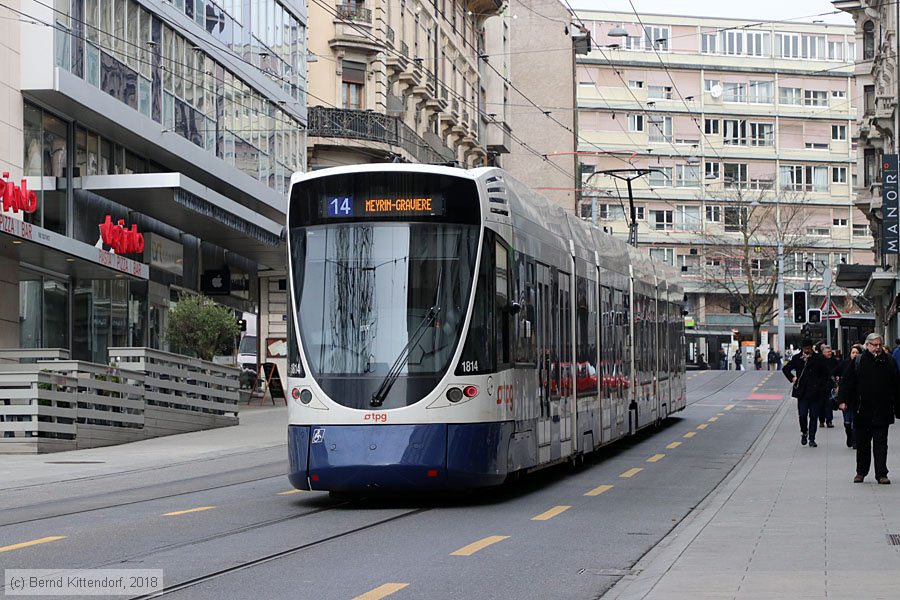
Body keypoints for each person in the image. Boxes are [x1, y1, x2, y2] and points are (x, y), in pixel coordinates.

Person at [838, 333, 900, 484]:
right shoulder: (859, 361)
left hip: (882, 410)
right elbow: (847, 382)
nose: (877, 348)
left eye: (879, 345)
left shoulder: (889, 361)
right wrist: (843, 400)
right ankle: (861, 472)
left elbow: (897, 386)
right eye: (874, 345)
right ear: (867, 345)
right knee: (863, 444)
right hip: (862, 410)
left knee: (881, 444)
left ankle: (881, 474)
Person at [782, 338, 832, 447]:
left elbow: (826, 374)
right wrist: (792, 378)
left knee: (814, 416)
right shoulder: (797, 358)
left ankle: (812, 438)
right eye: (805, 349)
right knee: (802, 415)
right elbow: (785, 369)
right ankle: (804, 432)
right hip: (802, 392)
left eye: (808, 349)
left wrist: (820, 385)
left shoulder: (819, 358)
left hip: (816, 393)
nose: (807, 351)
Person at [835, 343, 863, 449]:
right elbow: (835, 375)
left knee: (855, 422)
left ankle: (855, 440)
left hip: (857, 398)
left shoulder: (863, 365)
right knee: (847, 422)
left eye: (857, 353)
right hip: (846, 397)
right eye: (853, 352)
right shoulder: (845, 364)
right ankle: (849, 436)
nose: (855, 355)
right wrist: (837, 382)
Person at [820, 345, 839, 428]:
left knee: (829, 403)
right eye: (828, 352)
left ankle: (829, 420)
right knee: (821, 404)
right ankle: (821, 420)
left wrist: (837, 377)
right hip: (820, 386)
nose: (830, 353)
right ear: (823, 353)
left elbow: (838, 369)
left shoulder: (833, 361)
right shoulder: (820, 361)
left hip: (830, 385)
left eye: (830, 352)